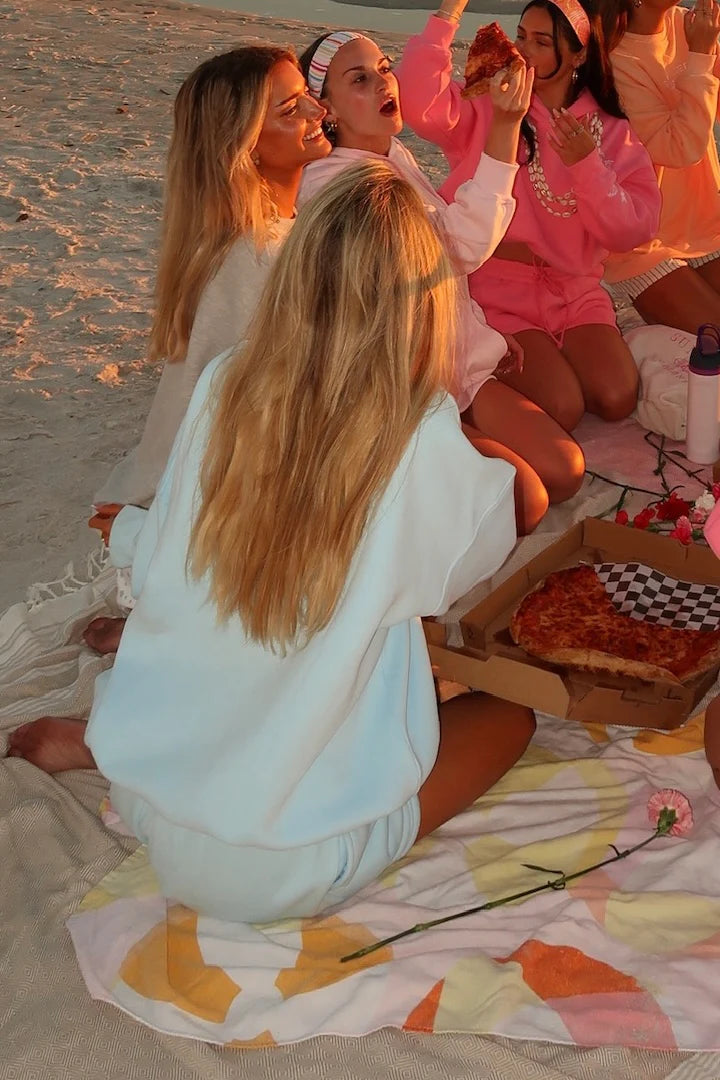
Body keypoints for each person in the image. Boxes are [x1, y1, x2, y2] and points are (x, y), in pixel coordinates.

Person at [10, 163, 536, 920]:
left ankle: (105, 742)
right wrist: (465, 433)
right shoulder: (420, 431)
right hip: (289, 863)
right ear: (426, 307)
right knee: (509, 716)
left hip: (155, 801)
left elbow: (170, 552)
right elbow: (492, 530)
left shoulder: (229, 382)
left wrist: (131, 534)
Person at [84, 44, 331, 654]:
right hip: (226, 496)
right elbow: (228, 422)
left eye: (307, 96)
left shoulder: (275, 233)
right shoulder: (253, 259)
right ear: (244, 145)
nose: (317, 110)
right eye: (291, 109)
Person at [298, 30, 585, 535]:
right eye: (359, 79)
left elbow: (442, 270)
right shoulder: (338, 185)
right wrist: (504, 126)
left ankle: (467, 434)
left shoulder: (390, 154)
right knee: (525, 504)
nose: (384, 82)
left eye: (384, 68)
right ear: (327, 109)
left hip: (450, 359)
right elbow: (458, 248)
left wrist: (476, 329)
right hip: (402, 385)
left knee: (565, 471)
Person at [396, 0, 661, 433]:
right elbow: (420, 106)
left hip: (574, 289)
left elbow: (632, 229)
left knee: (616, 397)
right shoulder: (491, 104)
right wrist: (448, 13)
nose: (522, 51)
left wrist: (587, 166)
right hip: (496, 292)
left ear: (578, 55)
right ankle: (468, 391)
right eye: (521, 36)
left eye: (541, 42)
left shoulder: (609, 129)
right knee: (563, 408)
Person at [600, 0, 720, 333]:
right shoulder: (614, 58)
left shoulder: (687, 25)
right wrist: (701, 56)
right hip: (641, 240)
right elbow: (677, 148)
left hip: (703, 226)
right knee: (716, 337)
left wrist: (709, 49)